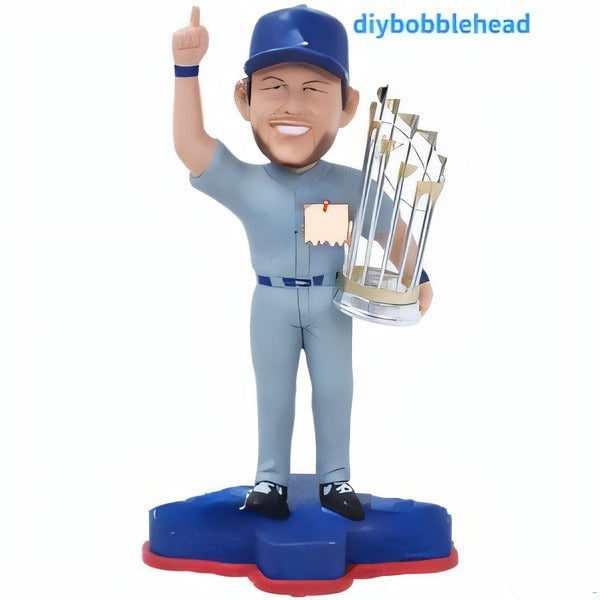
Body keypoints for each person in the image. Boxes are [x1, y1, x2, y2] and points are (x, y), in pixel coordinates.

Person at [172, 5, 433, 521]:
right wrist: (186, 70)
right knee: (273, 392)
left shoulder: (350, 184)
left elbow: (390, 228)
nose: (292, 105)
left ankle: (336, 478)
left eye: (314, 89)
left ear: (347, 105)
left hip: (331, 301)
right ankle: (270, 480)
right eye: (274, 87)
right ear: (244, 99)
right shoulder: (245, 183)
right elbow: (191, 146)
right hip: (269, 303)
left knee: (335, 390)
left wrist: (416, 276)